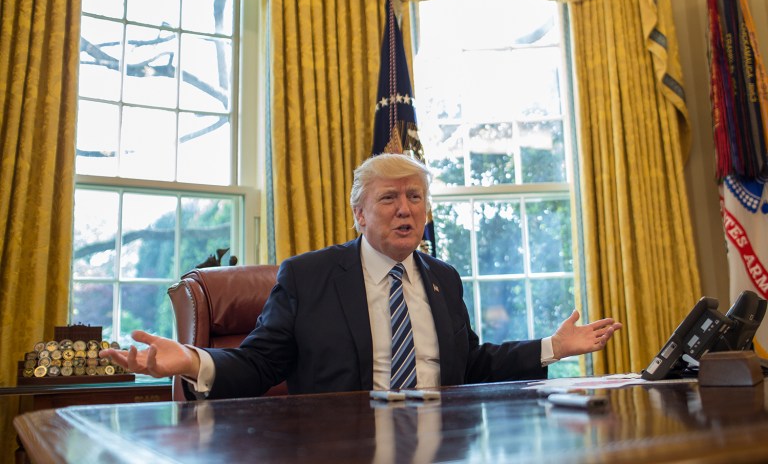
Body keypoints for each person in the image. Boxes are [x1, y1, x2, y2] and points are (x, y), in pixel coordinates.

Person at [101, 153, 622, 399]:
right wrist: (191, 360)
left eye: (415, 198)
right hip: (342, 449)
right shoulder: (308, 277)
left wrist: (554, 347)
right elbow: (260, 365)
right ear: (359, 214)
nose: (405, 210)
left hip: (443, 446)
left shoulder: (444, 278)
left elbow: (474, 363)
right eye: (389, 198)